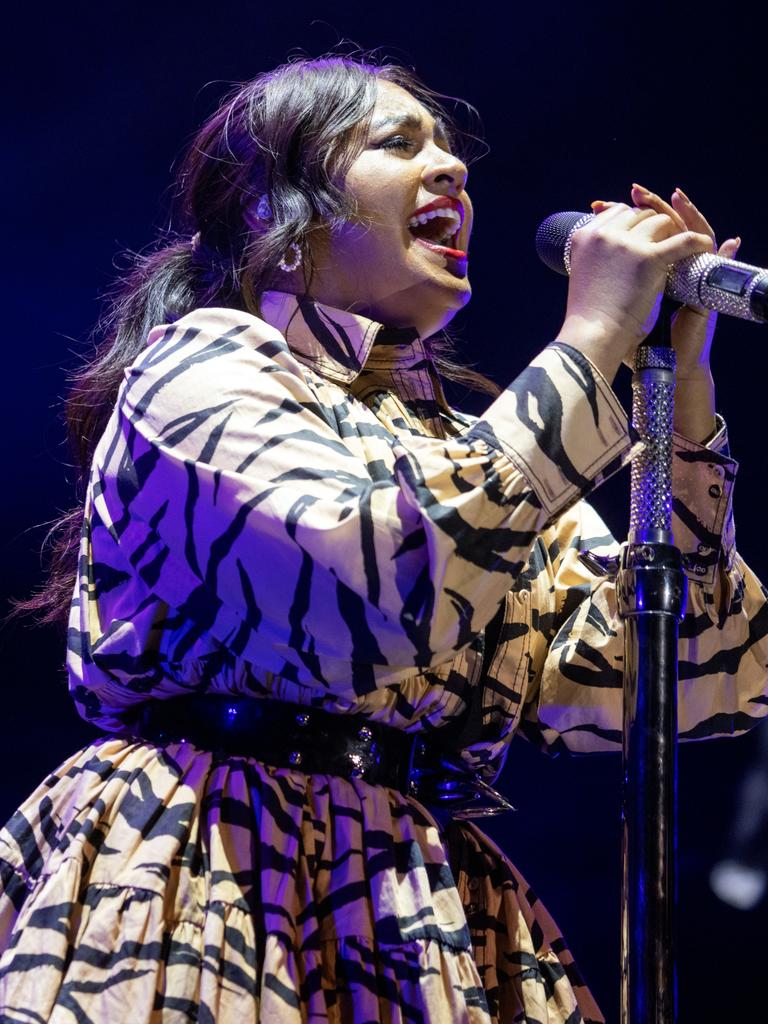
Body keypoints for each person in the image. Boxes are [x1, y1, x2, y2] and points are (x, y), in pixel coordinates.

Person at [0, 53, 766, 1024]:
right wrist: (592, 335)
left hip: (417, 900)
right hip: (218, 865)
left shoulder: (464, 446)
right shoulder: (204, 369)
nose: (451, 170)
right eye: (399, 144)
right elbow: (373, 594)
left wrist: (679, 400)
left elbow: (696, 677)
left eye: (451, 151)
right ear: (281, 223)